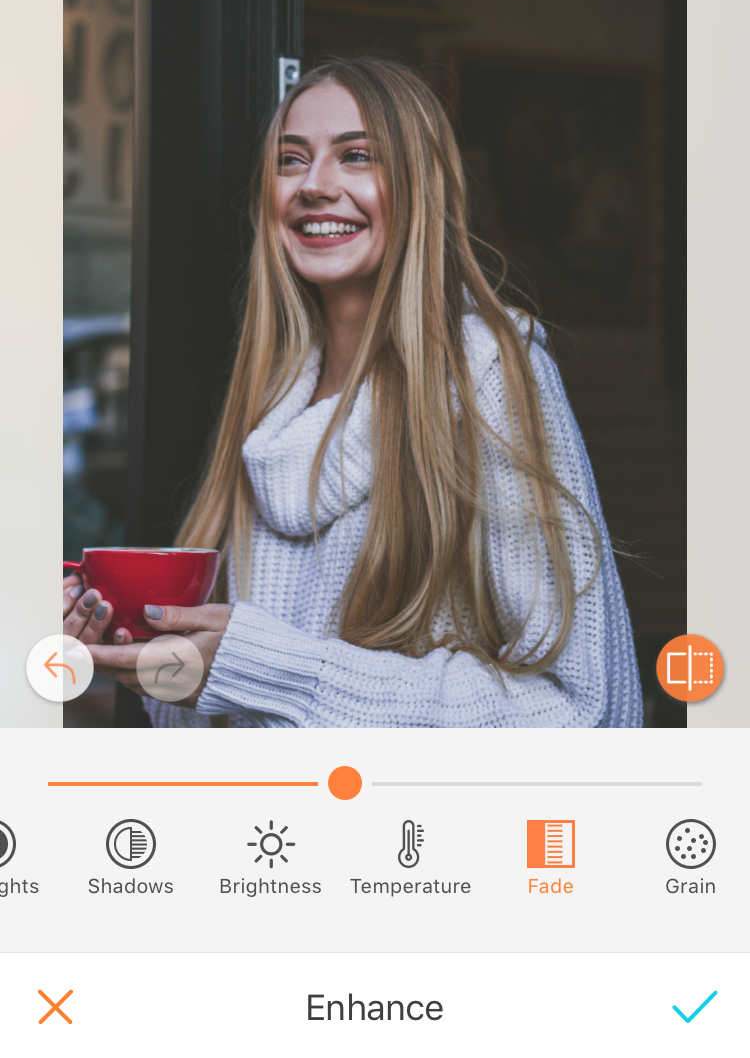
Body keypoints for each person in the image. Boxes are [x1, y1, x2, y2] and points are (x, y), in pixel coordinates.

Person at [63, 57, 642, 728]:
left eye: (356, 156)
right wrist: (148, 662)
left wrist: (278, 672)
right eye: (291, 160)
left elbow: (588, 713)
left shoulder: (487, 372)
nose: (314, 185)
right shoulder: (271, 406)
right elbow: (235, 726)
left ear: (419, 187)